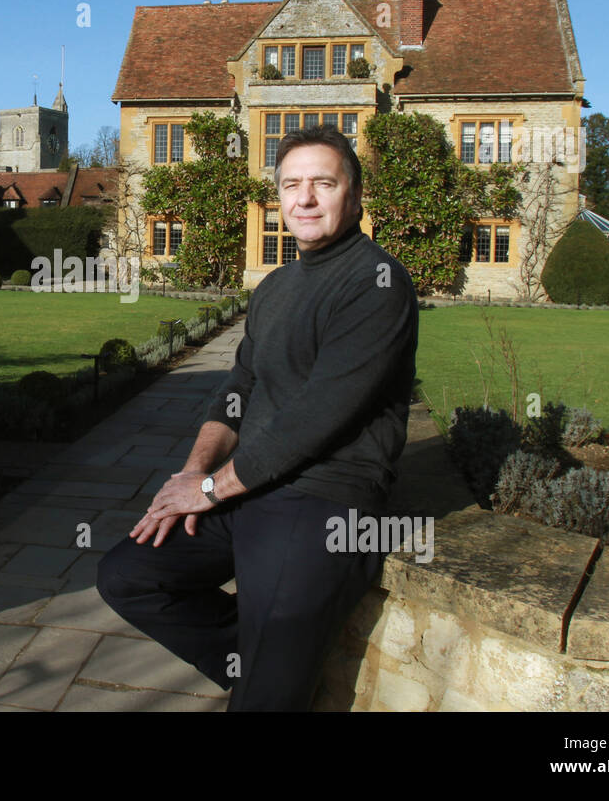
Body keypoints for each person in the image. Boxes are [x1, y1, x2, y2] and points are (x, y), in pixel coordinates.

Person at [96, 123, 419, 711]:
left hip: (322, 500)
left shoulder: (376, 282)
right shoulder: (276, 286)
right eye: (292, 184)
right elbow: (239, 386)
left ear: (355, 194)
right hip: (250, 487)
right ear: (278, 196)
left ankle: (271, 678)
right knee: (129, 576)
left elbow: (318, 417)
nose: (306, 197)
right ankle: (266, 666)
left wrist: (215, 488)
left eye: (324, 182)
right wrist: (193, 474)